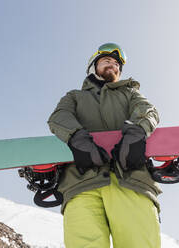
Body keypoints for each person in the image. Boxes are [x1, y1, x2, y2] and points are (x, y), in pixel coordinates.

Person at [48, 43, 162, 248]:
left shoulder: (130, 93)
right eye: (107, 61)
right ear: (94, 66)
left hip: (132, 180)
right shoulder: (75, 96)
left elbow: (148, 110)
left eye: (117, 63)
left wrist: (137, 131)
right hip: (81, 183)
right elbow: (59, 117)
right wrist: (78, 138)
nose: (113, 65)